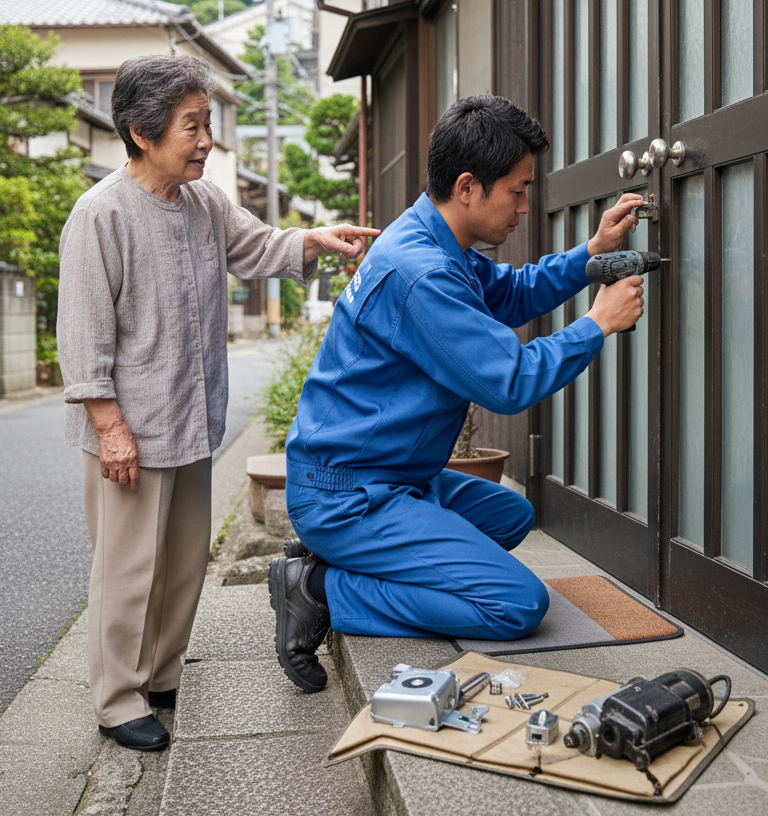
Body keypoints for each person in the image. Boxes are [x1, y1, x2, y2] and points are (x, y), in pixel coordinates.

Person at [267, 94, 644, 693]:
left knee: (511, 514)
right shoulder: (422, 272)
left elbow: (515, 295)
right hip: (349, 492)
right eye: (517, 192)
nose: (525, 206)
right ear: (468, 186)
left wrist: (591, 256)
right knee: (516, 605)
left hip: (391, 474)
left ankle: (351, 558)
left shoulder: (436, 241)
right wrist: (596, 323)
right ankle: (318, 589)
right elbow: (510, 381)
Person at [57, 54, 378, 751]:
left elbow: (258, 244)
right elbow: (82, 338)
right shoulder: (100, 213)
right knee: (127, 568)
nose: (205, 140)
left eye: (207, 123)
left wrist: (314, 241)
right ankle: (116, 699)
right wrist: (109, 426)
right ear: (142, 132)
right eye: (191, 125)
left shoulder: (203, 202)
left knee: (180, 561)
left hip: (192, 416)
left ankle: (161, 672)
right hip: (131, 431)